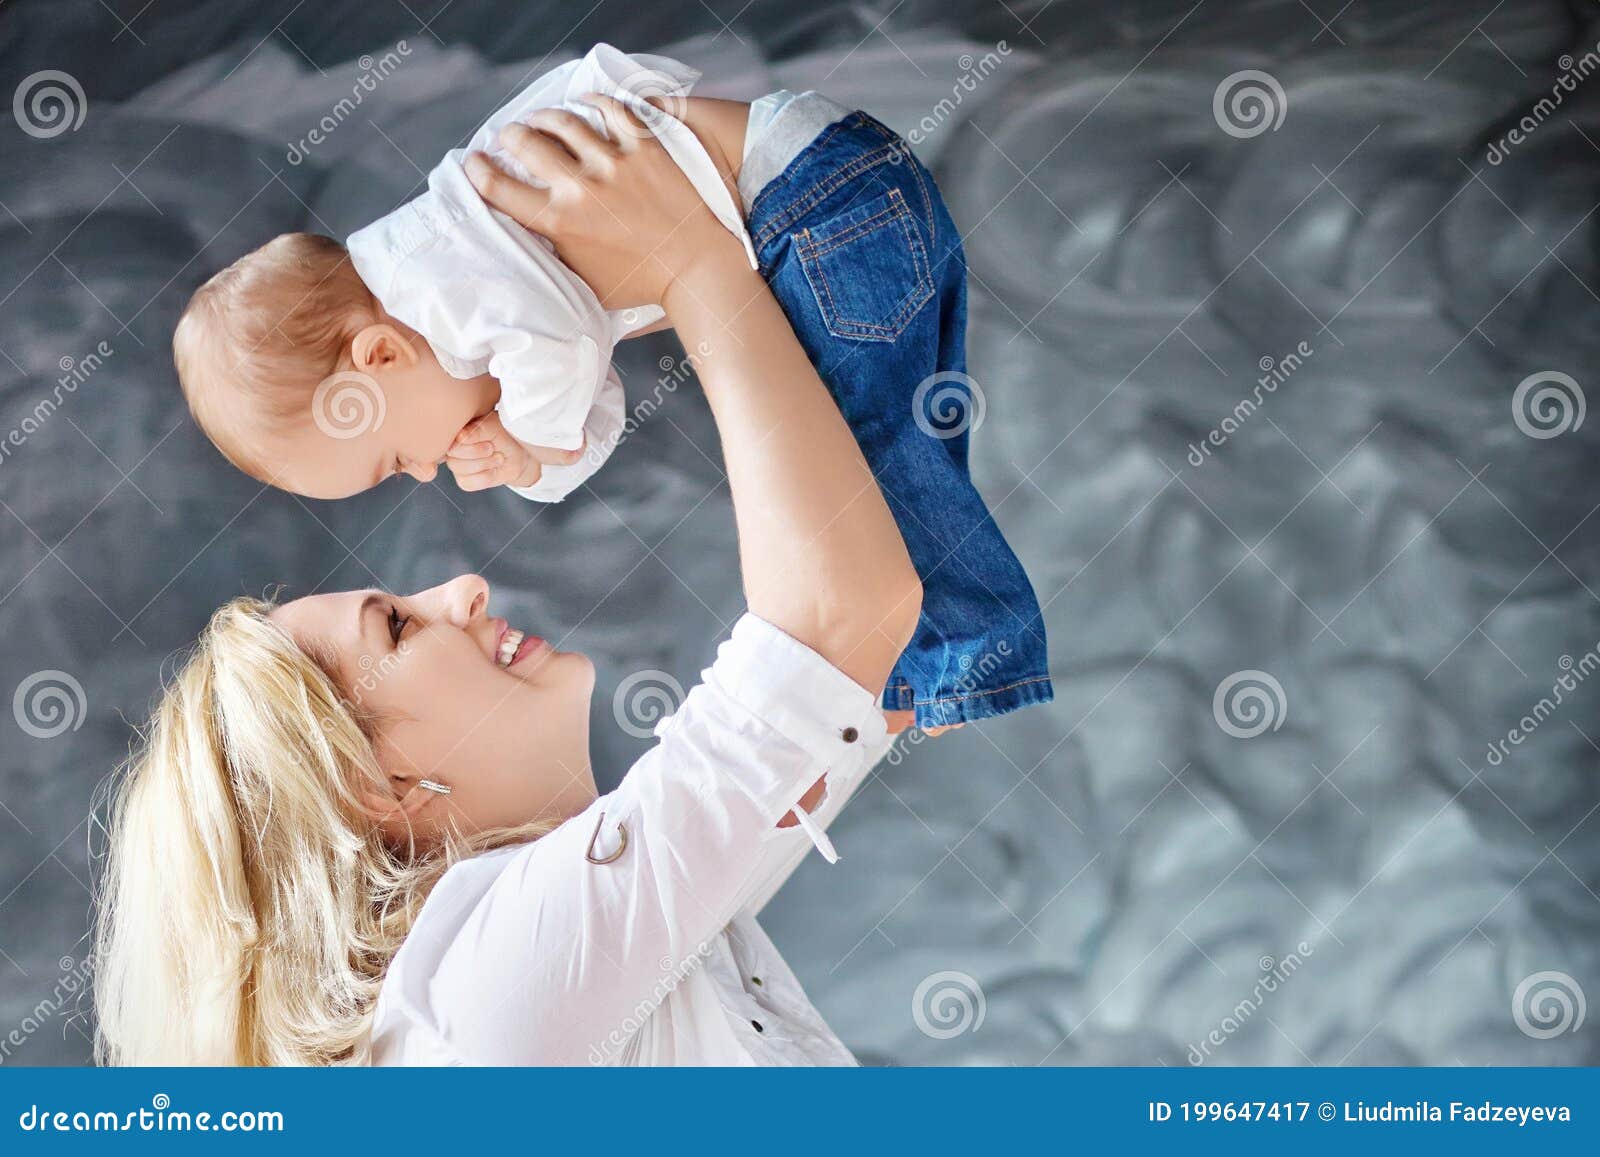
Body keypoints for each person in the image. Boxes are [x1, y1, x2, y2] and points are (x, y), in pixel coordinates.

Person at [95, 95, 923, 1065]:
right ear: (377, 787)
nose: (464, 590)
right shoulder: (494, 989)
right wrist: (689, 262)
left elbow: (867, 659)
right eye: (398, 628)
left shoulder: (511, 980)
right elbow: (837, 625)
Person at [169, 44, 1052, 731]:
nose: (425, 470)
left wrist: (526, 445)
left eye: (395, 455)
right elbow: (595, 401)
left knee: (870, 463)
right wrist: (530, 451)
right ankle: (929, 665)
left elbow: (558, 370)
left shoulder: (440, 274)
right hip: (843, 186)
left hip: (812, 205)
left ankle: (957, 665)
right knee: (904, 455)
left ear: (378, 360)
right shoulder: (456, 292)